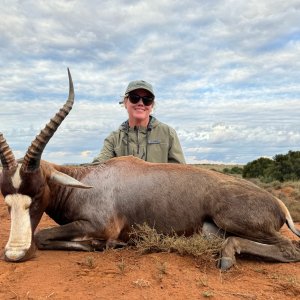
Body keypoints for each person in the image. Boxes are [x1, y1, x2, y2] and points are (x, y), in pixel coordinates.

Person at [93, 80, 186, 164]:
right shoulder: (113, 139)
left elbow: (180, 173)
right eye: (134, 98)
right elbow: (97, 168)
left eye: (147, 99)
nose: (141, 103)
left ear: (152, 105)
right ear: (125, 102)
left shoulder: (168, 134)